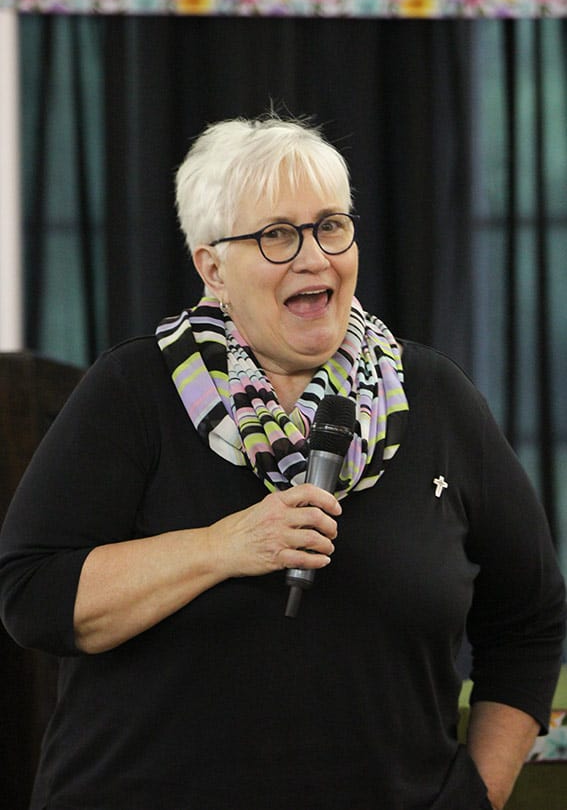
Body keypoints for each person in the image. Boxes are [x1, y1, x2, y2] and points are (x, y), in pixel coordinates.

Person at [0, 115, 565, 810]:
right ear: (212, 268)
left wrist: (475, 795)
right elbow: (33, 595)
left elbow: (530, 617)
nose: (314, 258)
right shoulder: (134, 391)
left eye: (330, 226)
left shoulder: (434, 397)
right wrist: (223, 547)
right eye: (276, 235)